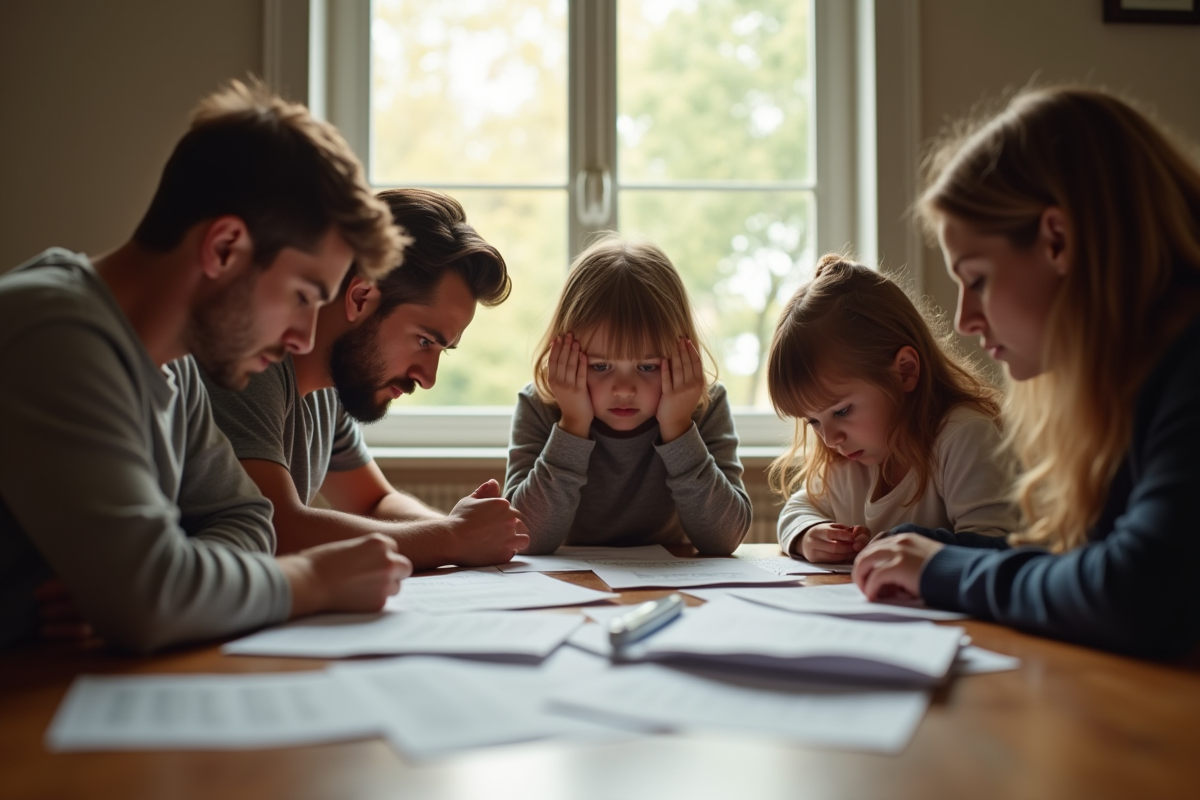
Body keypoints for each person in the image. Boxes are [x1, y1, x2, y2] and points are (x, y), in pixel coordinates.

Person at [0, 80, 412, 653]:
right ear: (223, 248)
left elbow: (246, 519)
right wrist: (315, 580)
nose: (303, 338)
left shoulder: (179, 368)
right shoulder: (54, 333)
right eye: (302, 295)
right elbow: (150, 597)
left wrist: (165, 593)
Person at [853, 86, 1200, 658]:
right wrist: (937, 552)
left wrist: (946, 570)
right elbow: (1090, 567)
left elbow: (1138, 590)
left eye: (978, 278)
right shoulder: (1141, 377)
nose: (964, 320)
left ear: (1057, 241)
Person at [202, 188, 529, 569]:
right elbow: (277, 529)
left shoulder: (331, 387)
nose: (428, 379)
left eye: (441, 350)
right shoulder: (251, 360)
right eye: (424, 341)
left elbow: (375, 503)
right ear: (360, 297)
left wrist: (460, 529)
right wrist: (453, 537)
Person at [505, 235, 752, 555]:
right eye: (601, 365)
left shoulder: (703, 405)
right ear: (564, 354)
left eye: (647, 367)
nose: (623, 389)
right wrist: (573, 423)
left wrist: (678, 427)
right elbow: (526, 536)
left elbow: (724, 539)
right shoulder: (542, 406)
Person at [767, 255, 1018, 564]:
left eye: (842, 411)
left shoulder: (963, 436)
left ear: (905, 372)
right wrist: (809, 534)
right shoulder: (846, 465)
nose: (829, 438)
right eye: (813, 422)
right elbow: (796, 509)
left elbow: (994, 546)